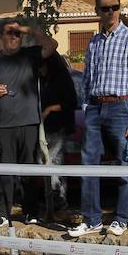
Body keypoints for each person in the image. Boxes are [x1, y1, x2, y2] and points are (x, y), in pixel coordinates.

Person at [68, 0, 128, 238]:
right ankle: (91, 219)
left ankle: (121, 218)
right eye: (105, 8)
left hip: (121, 107)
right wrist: (86, 106)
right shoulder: (93, 42)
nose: (111, 12)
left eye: (115, 7)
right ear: (97, 11)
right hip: (95, 107)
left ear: (120, 8)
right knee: (88, 165)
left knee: (125, 164)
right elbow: (88, 77)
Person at [0, 18, 58, 227]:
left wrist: (28, 29)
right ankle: (3, 213)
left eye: (17, 33)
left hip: (28, 122)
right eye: (9, 32)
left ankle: (31, 212)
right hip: (3, 124)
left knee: (28, 171)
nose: (14, 37)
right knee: (5, 171)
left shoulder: (30, 55)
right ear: (0, 36)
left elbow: (51, 45)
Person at [39, 54, 77, 210]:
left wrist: (49, 110)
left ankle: (59, 198)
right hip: (44, 127)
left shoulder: (62, 79)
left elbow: (71, 102)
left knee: (55, 161)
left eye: (42, 66)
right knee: (43, 162)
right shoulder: (42, 80)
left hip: (58, 126)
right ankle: (50, 198)